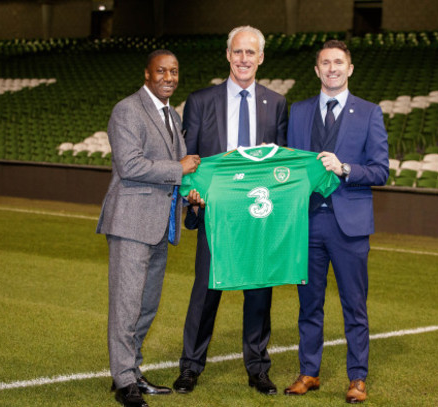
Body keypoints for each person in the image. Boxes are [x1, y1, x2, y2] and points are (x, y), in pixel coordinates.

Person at [173, 25, 288, 396]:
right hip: (215, 214)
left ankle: (258, 368)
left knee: (258, 294)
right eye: (237, 52)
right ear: (227, 55)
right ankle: (190, 367)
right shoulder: (201, 101)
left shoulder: (277, 103)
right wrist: (191, 194)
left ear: (261, 58)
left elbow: (279, 166)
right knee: (206, 293)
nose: (243, 59)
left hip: (258, 215)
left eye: (250, 53)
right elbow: (190, 157)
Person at [283, 40, 389, 404]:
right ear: (316, 70)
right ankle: (309, 372)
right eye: (325, 63)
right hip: (306, 223)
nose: (332, 68)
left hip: (350, 227)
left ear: (350, 68)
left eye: (338, 62)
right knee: (308, 304)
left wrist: (344, 168)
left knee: (354, 305)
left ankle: (357, 378)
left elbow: (381, 170)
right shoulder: (297, 112)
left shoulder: (370, 112)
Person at [96, 49, 201, 407]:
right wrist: (180, 168)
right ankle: (123, 379)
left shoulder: (172, 115)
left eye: (174, 71)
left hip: (160, 225)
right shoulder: (127, 110)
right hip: (130, 222)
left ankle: (133, 371)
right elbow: (130, 165)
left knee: (146, 305)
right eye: (162, 71)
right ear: (147, 74)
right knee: (127, 304)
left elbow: (181, 175)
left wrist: (191, 197)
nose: (169, 77)